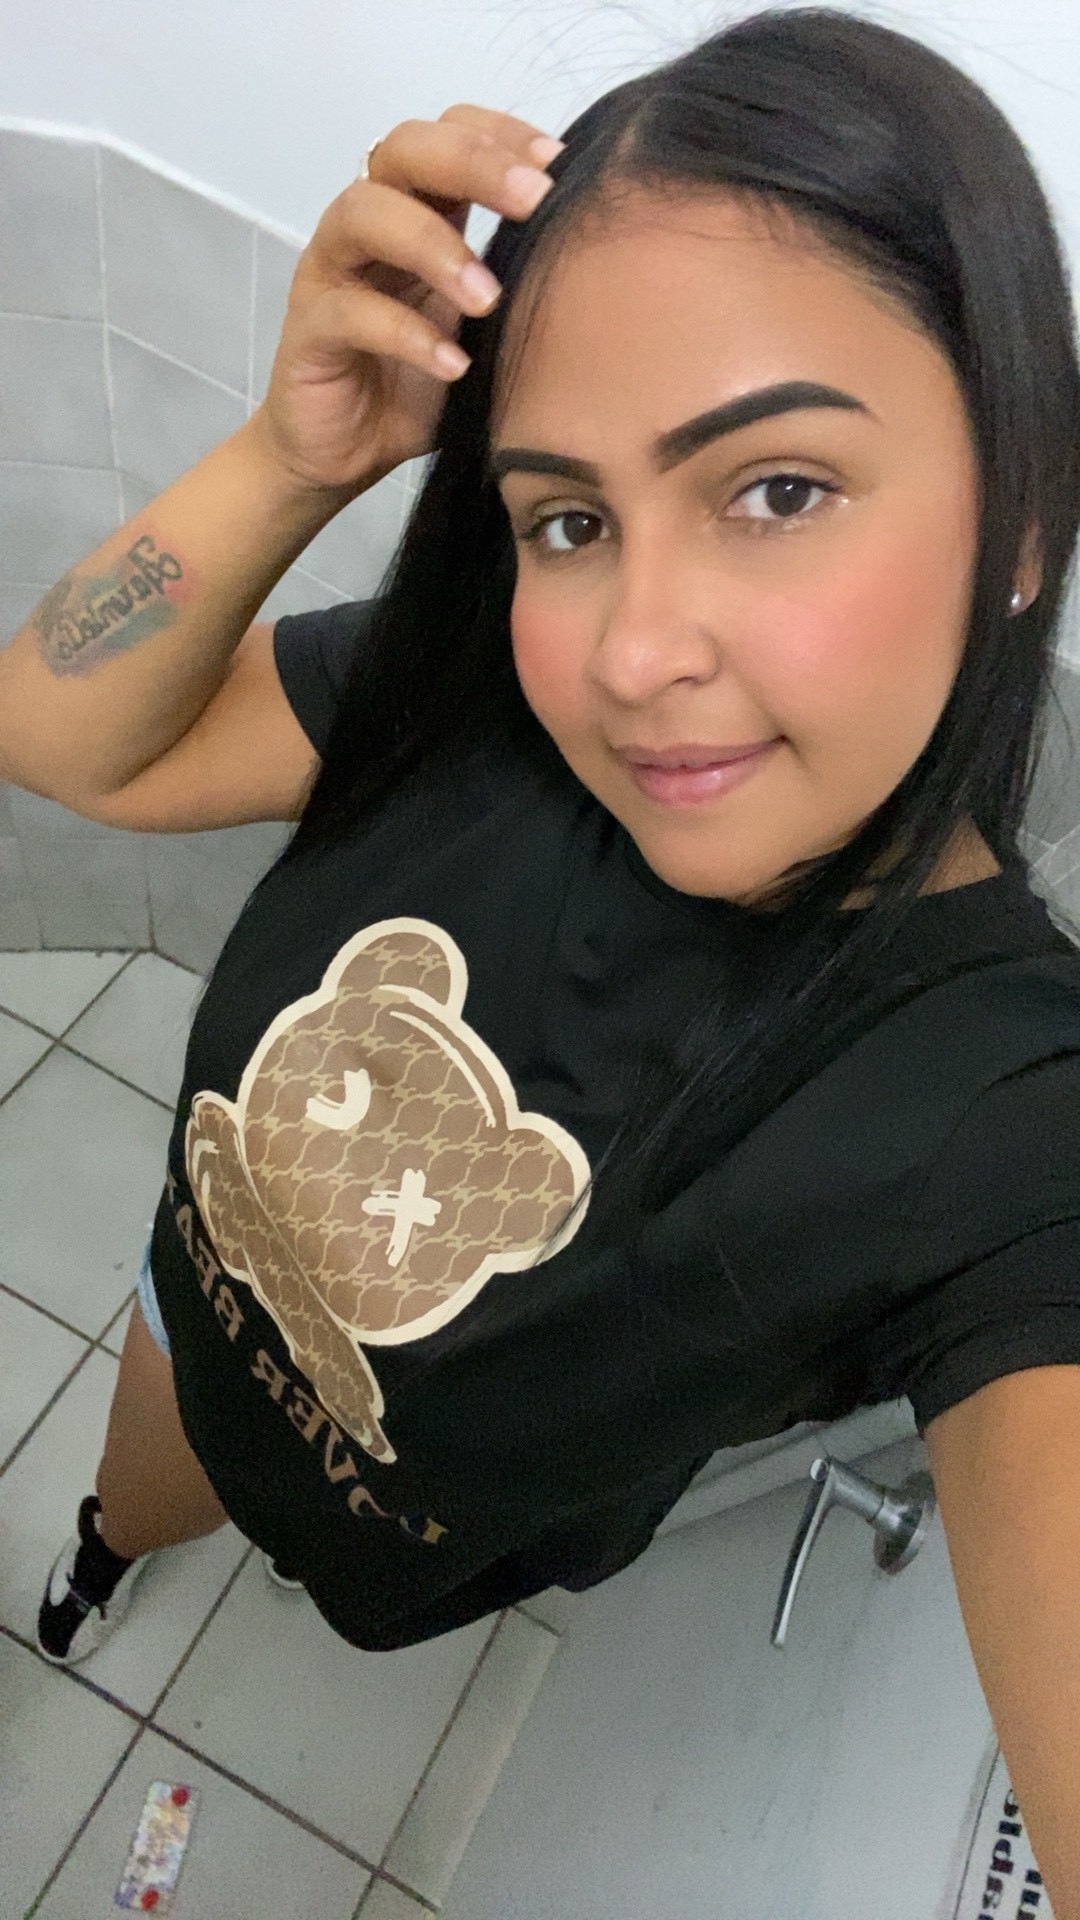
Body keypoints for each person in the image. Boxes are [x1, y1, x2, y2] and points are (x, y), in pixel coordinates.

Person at [4, 6, 1080, 1902]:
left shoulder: (1002, 1126)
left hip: (413, 1530)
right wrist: (289, 454)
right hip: (202, 1305)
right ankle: (101, 1546)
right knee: (140, 1490)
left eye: (777, 490)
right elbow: (65, 729)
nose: (632, 652)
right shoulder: (489, 695)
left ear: (1024, 515)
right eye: (568, 517)